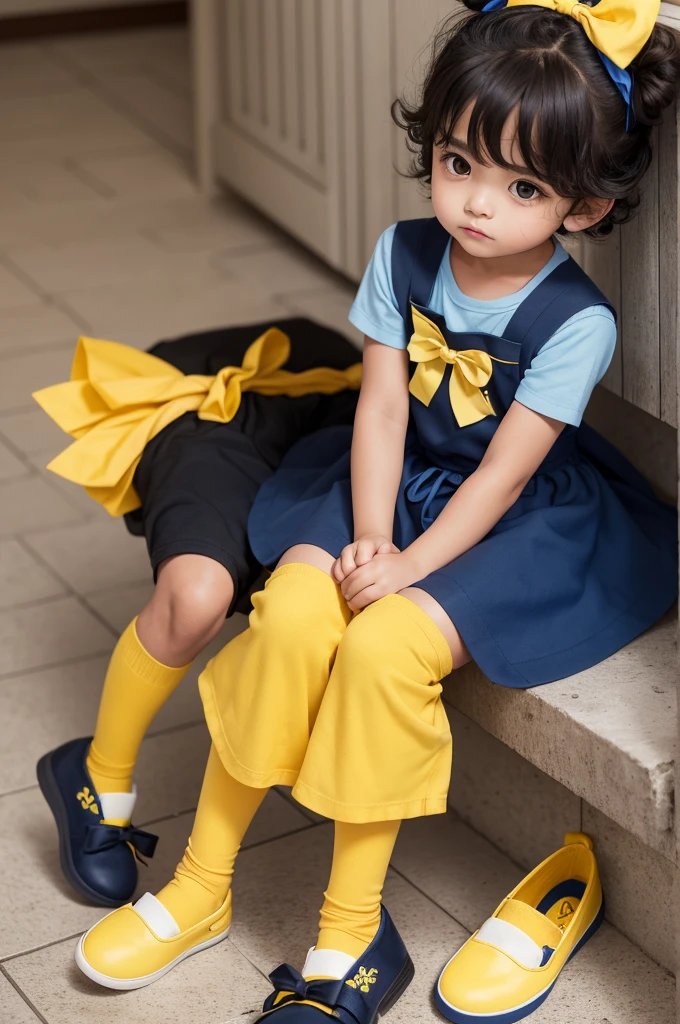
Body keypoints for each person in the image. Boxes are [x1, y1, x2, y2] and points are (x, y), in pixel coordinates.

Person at [74, 4, 679, 1023]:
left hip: (511, 514)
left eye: (519, 185)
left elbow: (498, 478)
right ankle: (199, 887)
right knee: (298, 615)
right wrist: (366, 532)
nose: (475, 205)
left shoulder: (576, 324)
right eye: (457, 163)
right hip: (384, 473)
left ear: (579, 206)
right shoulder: (400, 255)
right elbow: (384, 407)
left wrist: (406, 569)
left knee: (381, 646)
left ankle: (348, 932)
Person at [35, 318, 360, 907]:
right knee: (198, 595)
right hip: (246, 392)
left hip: (350, 433)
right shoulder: (410, 252)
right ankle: (98, 772)